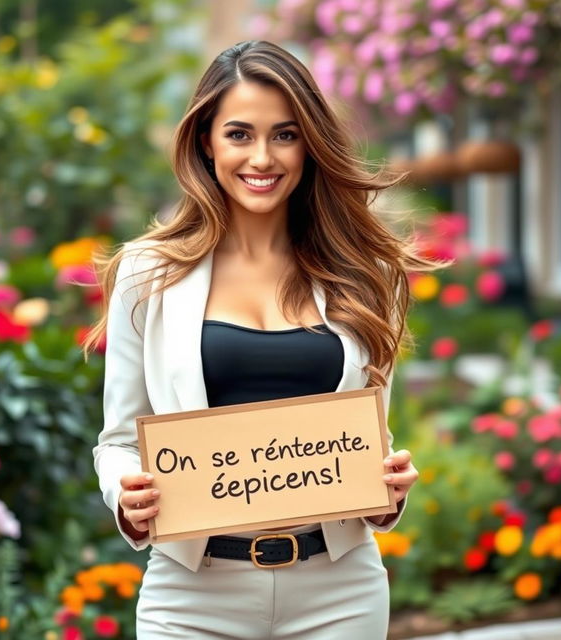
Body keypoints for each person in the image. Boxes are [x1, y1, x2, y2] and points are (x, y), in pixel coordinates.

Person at [86, 40, 438, 639]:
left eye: (285, 134)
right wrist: (126, 492)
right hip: (193, 594)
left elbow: (367, 436)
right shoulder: (146, 274)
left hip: (340, 589)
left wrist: (387, 490)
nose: (262, 156)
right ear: (207, 141)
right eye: (240, 134)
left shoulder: (364, 274)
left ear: (309, 143)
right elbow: (119, 440)